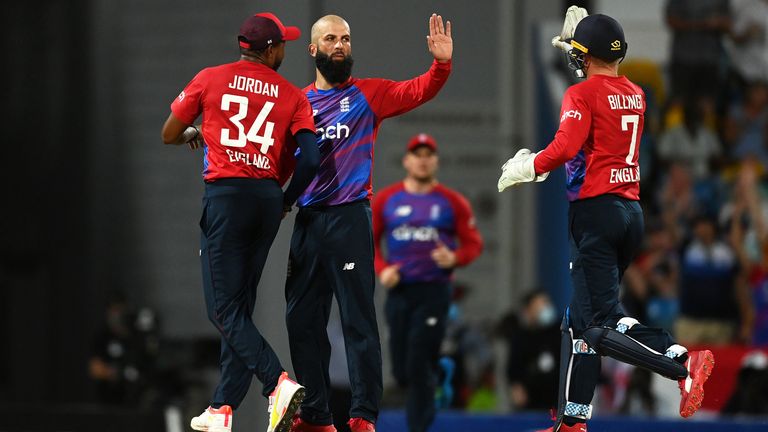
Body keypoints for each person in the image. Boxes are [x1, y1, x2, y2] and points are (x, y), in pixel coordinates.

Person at [498, 10, 715, 432]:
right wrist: (576, 46)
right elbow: (599, 91)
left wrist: (528, 166)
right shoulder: (636, 90)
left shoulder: (580, 95)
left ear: (585, 55)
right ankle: (572, 421)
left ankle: (682, 363)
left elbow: (565, 146)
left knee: (599, 325)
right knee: (578, 321)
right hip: (629, 212)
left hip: (594, 213)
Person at [285, 14, 453, 432]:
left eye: (345, 38)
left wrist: (441, 66)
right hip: (307, 221)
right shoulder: (296, 103)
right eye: (330, 39)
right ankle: (316, 414)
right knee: (301, 321)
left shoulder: (368, 94)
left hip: (348, 219)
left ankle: (362, 416)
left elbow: (417, 90)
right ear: (313, 50)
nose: (339, 45)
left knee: (357, 319)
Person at [160, 12, 320, 432]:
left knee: (222, 308)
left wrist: (195, 132)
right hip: (266, 199)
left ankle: (277, 382)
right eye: (282, 42)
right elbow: (312, 158)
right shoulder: (291, 94)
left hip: (227, 196)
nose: (284, 48)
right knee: (240, 306)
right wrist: (286, 198)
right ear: (270, 49)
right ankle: (222, 407)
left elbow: (168, 133)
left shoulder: (211, 78)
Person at [371, 133, 483, 432]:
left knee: (419, 358)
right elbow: (369, 244)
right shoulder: (387, 199)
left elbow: (473, 244)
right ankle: (439, 372)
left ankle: (418, 426)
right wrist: (382, 270)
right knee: (401, 369)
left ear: (436, 161)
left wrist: (455, 258)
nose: (422, 160)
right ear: (407, 161)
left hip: (434, 290)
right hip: (399, 290)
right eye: (417, 154)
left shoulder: (451, 202)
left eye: (428, 154)